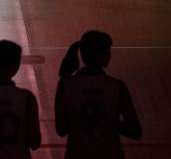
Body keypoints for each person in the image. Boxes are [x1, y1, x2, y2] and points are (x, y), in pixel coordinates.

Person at [55, 30, 141, 159]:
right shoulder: (117, 86)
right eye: (107, 50)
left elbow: (61, 129)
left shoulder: (65, 85)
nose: (109, 54)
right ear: (99, 54)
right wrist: (109, 121)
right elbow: (135, 131)